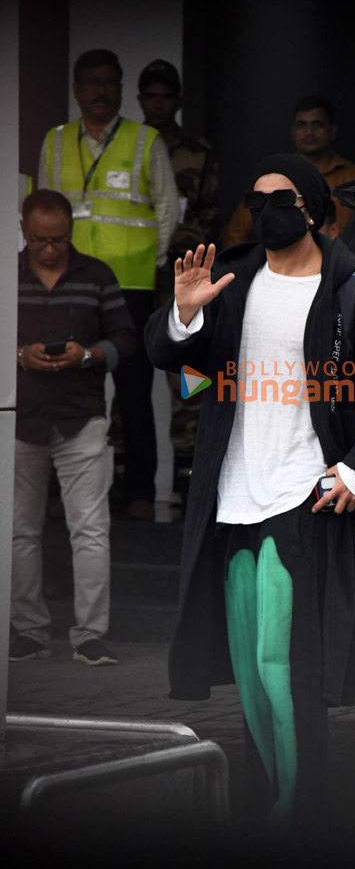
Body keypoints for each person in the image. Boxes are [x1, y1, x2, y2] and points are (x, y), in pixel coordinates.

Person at [145, 154, 355, 827]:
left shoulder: (352, 288)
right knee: (249, 672)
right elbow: (172, 360)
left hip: (300, 498)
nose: (267, 208)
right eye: (257, 198)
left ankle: (301, 816)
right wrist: (183, 317)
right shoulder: (233, 279)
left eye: (283, 199)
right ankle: (261, 806)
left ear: (315, 209)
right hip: (232, 498)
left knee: (283, 668)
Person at [38, 48, 179, 521]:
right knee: (68, 387)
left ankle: (139, 490)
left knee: (134, 389)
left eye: (108, 83)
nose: (99, 91)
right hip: (69, 285)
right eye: (90, 83)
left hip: (131, 287)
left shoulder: (145, 140)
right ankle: (63, 492)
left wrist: (152, 258)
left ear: (121, 90)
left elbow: (167, 208)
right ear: (76, 90)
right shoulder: (55, 142)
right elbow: (42, 209)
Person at [9, 189, 136, 666]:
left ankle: (89, 635)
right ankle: (29, 631)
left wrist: (89, 354)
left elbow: (126, 339)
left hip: (82, 413)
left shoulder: (97, 274)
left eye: (58, 239)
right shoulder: (6, 273)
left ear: (71, 233)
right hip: (21, 417)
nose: (48, 248)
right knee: (21, 531)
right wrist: (20, 356)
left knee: (91, 530)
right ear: (23, 231)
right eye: (40, 239)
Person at [138, 58, 220, 503]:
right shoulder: (132, 147)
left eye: (165, 95)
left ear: (178, 100)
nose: (157, 103)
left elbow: (210, 214)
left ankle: (191, 469)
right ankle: (126, 473)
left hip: (181, 275)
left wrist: (177, 252)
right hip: (135, 276)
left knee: (190, 371)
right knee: (131, 373)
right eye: (150, 95)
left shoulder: (198, 152)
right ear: (139, 100)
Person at [222, 95, 355, 247]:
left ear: (332, 130)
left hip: (341, 266)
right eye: (301, 125)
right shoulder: (273, 179)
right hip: (278, 263)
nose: (309, 132)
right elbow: (235, 236)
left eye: (317, 124)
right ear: (292, 131)